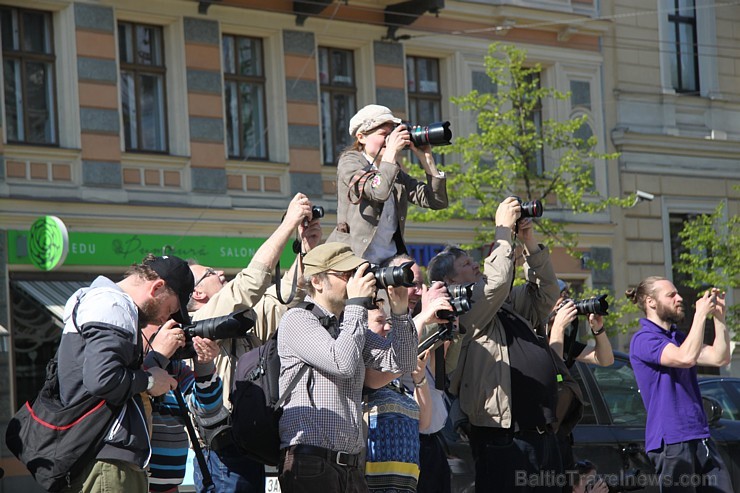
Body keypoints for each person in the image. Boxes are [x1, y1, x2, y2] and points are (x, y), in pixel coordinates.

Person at [188, 193, 322, 493]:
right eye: (211, 273)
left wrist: (307, 249)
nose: (221, 272)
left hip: (247, 444)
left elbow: (286, 296)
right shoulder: (198, 322)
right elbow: (251, 281)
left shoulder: (236, 321)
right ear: (197, 293)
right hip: (221, 452)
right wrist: (287, 224)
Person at [428, 197, 562, 492]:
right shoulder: (459, 310)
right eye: (466, 264)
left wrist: (529, 241)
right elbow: (497, 282)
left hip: (540, 433)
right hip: (503, 437)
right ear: (449, 280)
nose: (476, 264)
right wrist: (502, 230)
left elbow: (548, 295)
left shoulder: (505, 305)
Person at [277, 242, 418, 493]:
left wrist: (400, 311)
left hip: (351, 465)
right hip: (311, 461)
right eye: (345, 275)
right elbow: (341, 363)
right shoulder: (297, 319)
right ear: (317, 281)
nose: (354, 280)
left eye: (356, 273)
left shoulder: (350, 324)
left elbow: (402, 362)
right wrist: (355, 305)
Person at [58, 254, 194, 492]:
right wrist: (151, 380)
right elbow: (103, 379)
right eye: (170, 308)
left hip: (97, 452)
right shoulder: (114, 305)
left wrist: (156, 360)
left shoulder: (94, 299)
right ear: (158, 287)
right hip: (107, 461)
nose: (167, 318)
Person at [628, 277, 732, 493]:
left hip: (700, 434)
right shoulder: (644, 339)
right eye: (671, 295)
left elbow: (719, 358)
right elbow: (685, 357)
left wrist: (719, 318)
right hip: (671, 440)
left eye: (677, 293)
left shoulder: (678, 336)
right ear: (651, 302)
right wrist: (700, 315)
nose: (679, 298)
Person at [327, 104, 448, 263]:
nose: (390, 139)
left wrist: (427, 160)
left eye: (392, 134)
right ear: (361, 137)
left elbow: (437, 201)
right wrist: (390, 152)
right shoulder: (349, 161)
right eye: (384, 134)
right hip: (353, 259)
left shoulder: (393, 171)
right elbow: (379, 191)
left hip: (388, 261)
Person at [142, 319, 223, 493]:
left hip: (171, 486)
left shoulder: (176, 369)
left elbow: (208, 409)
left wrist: (204, 365)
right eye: (159, 325)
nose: (170, 334)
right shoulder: (131, 369)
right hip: (138, 482)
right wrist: (157, 356)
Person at [363, 302, 432, 493]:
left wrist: (419, 378)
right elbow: (373, 380)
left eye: (389, 323)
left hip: (404, 484)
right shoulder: (361, 368)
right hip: (370, 483)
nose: (387, 327)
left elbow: (424, 422)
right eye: (379, 321)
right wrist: (422, 318)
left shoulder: (395, 381)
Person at [546, 280, 614, 367]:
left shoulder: (563, 341)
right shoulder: (531, 336)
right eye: (561, 304)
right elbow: (551, 371)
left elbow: (606, 360)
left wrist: (598, 329)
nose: (565, 308)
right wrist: (558, 327)